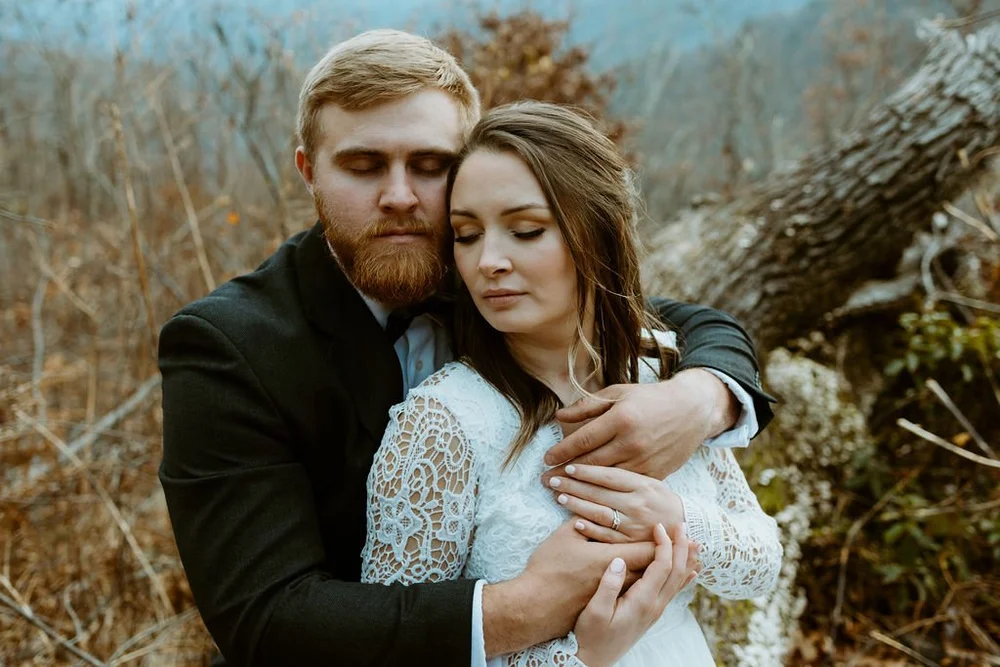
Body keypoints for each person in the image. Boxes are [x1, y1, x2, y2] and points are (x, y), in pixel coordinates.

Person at [158, 29, 775, 666]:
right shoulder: (228, 347)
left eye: (431, 166)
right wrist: (532, 608)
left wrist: (703, 399)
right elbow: (267, 622)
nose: (400, 196)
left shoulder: (492, 278)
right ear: (309, 171)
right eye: (363, 166)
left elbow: (679, 321)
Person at [361, 101, 783, 666]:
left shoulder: (663, 381)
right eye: (466, 235)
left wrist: (676, 522)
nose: (488, 261)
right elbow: (395, 653)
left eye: (525, 230)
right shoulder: (441, 424)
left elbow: (761, 563)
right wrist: (580, 655)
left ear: (599, 233)